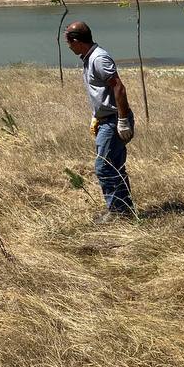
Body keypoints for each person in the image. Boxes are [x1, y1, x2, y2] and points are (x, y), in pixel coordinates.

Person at [64, 21, 135, 222]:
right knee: (114, 166)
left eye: (68, 42)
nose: (68, 46)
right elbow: (103, 92)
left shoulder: (99, 58)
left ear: (76, 41)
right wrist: (97, 115)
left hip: (114, 121)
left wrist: (122, 120)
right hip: (107, 119)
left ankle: (118, 213)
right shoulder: (89, 58)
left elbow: (119, 88)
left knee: (104, 167)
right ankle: (125, 212)